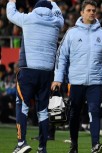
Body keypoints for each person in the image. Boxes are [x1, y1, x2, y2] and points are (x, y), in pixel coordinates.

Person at [51, 0, 102, 153]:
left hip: (95, 81)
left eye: (94, 10)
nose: (92, 12)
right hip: (76, 81)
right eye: (88, 10)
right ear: (81, 13)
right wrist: (58, 78)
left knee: (94, 110)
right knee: (74, 113)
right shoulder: (72, 33)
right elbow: (62, 57)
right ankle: (74, 145)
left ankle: (95, 144)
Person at [6, 0, 64, 152]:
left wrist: (12, 1)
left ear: (35, 8)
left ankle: (21, 144)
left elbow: (10, 14)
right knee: (43, 111)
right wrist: (53, 2)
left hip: (28, 71)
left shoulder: (28, 18)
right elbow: (60, 14)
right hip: (47, 73)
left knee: (23, 106)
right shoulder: (56, 22)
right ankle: (42, 148)